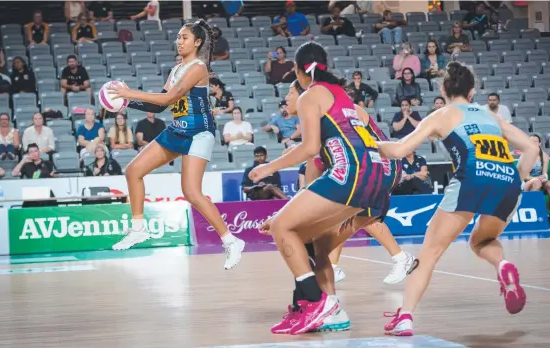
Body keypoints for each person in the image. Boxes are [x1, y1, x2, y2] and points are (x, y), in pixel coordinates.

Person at [248, 42, 396, 334]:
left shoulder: (309, 96)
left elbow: (310, 148)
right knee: (307, 239)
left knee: (282, 229)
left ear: (299, 71)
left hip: (351, 171)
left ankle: (317, 303)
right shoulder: (341, 94)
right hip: (377, 174)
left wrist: (269, 167)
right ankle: (320, 307)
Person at [381, 61, 537, 336]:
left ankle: (405, 317)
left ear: (443, 89)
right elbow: (531, 147)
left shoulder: (442, 114)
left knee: (429, 253)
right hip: (507, 181)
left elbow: (399, 150)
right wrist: (518, 177)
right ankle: (503, 265)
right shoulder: (492, 116)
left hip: (472, 176)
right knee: (482, 240)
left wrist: (370, 144)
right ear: (473, 92)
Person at [107, 20, 245, 270]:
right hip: (177, 129)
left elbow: (171, 97)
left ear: (198, 42)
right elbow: (160, 106)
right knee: (133, 171)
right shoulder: (175, 70)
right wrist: (125, 103)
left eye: (185, 37)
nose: (179, 41)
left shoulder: (198, 67)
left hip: (199, 132)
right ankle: (138, 228)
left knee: (191, 192)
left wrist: (131, 94)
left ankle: (231, 241)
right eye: (178, 37)